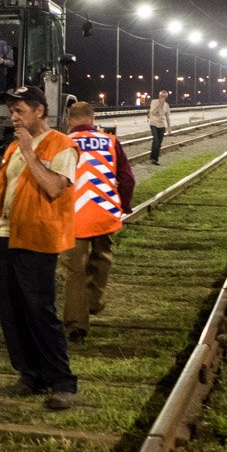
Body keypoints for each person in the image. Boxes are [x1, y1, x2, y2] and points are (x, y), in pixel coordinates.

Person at [0, 85, 80, 410]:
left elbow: (56, 188)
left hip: (38, 238)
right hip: (6, 237)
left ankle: (61, 380)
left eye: (20, 111)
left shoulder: (61, 145)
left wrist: (30, 152)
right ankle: (30, 374)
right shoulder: (13, 147)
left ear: (39, 111)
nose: (14, 117)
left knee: (40, 310)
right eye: (12, 111)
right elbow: (2, 192)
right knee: (12, 312)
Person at [62, 101, 135, 343]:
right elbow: (127, 179)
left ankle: (77, 325)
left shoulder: (63, 142)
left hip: (74, 214)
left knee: (74, 270)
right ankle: (94, 301)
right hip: (104, 212)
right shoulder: (110, 141)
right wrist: (123, 205)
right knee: (102, 256)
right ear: (92, 118)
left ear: (69, 120)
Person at [147, 90, 171, 165]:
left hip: (161, 125)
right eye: (161, 96)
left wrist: (169, 127)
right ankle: (154, 159)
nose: (162, 98)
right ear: (159, 96)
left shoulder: (166, 105)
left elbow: (167, 117)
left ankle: (153, 157)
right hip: (153, 124)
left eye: (164, 96)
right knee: (156, 141)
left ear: (166, 97)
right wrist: (159, 105)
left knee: (159, 143)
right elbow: (153, 112)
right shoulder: (154, 102)